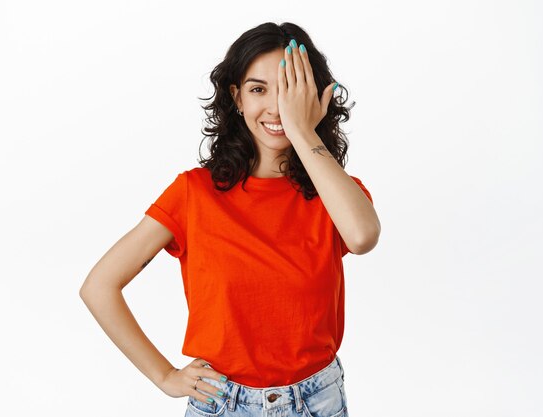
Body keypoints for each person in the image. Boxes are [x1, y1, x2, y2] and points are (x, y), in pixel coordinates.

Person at [80, 21, 380, 417]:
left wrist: (302, 128)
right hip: (222, 404)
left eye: (290, 90)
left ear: (314, 97)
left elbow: (362, 236)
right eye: (259, 89)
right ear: (237, 97)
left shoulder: (336, 193)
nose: (277, 107)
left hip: (316, 402)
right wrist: (165, 376)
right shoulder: (194, 192)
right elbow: (99, 286)